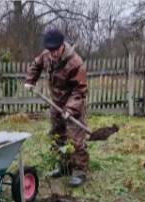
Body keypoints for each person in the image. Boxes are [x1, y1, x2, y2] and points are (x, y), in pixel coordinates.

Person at [24, 28, 90, 187]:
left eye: (56, 50)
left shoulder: (75, 62)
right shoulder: (46, 55)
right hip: (56, 103)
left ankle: (79, 171)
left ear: (63, 46)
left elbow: (80, 90)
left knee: (75, 139)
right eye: (50, 50)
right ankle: (64, 166)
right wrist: (30, 80)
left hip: (73, 105)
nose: (53, 54)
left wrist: (70, 109)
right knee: (57, 136)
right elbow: (36, 64)